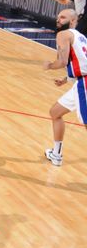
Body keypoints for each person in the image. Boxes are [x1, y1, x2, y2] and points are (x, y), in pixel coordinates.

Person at [43, 9, 87, 167]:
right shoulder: (81, 37)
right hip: (80, 81)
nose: (58, 19)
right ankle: (56, 154)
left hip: (85, 82)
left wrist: (49, 66)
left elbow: (62, 61)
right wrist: (66, 79)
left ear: (73, 21)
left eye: (63, 17)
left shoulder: (63, 34)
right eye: (58, 17)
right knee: (55, 112)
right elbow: (81, 63)